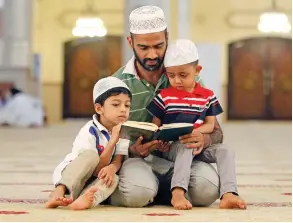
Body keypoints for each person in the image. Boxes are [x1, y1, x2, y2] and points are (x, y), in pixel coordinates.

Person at [110, 5, 223, 208]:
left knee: (208, 189)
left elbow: (216, 132)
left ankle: (160, 192)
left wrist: (203, 138)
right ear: (130, 42)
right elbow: (102, 139)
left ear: (167, 39)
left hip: (180, 158)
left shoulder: (186, 76)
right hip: (138, 162)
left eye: (159, 46)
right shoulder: (117, 84)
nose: (153, 54)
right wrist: (134, 151)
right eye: (144, 48)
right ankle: (147, 190)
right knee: (138, 193)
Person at [146, 39, 246, 210]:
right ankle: (178, 192)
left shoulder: (207, 96)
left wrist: (196, 133)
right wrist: (157, 139)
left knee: (225, 149)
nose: (176, 81)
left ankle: (229, 193)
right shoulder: (164, 96)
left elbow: (211, 125)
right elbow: (155, 126)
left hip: (198, 144)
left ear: (197, 71)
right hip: (173, 148)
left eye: (183, 75)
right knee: (186, 145)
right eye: (171, 76)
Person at [46, 77, 131, 210]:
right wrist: (112, 142)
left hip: (93, 181)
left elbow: (118, 159)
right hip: (74, 178)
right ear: (99, 108)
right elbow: (95, 166)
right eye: (116, 104)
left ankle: (86, 199)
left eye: (127, 105)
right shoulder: (89, 130)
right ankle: (58, 192)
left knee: (113, 178)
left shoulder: (124, 130)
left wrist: (112, 168)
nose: (123, 109)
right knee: (91, 155)